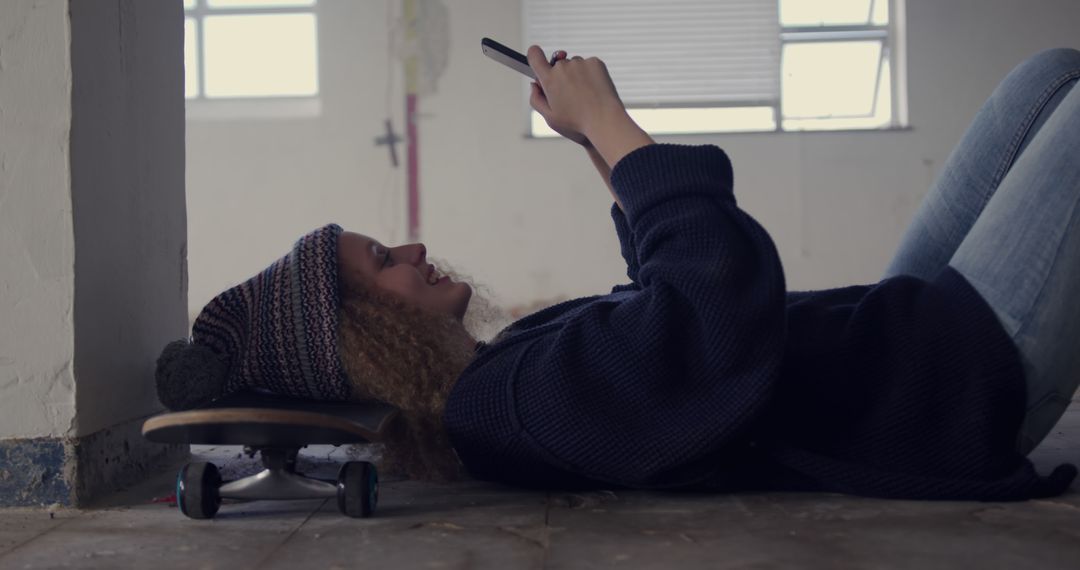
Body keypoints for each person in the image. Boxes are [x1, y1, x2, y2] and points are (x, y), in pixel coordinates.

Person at [157, 46, 1080, 498]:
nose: (411, 249)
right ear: (370, 332)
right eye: (382, 263)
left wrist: (597, 160)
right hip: (950, 384)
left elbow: (654, 318)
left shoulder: (496, 374)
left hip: (895, 331)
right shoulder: (509, 409)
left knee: (1047, 76)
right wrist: (614, 127)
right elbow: (711, 312)